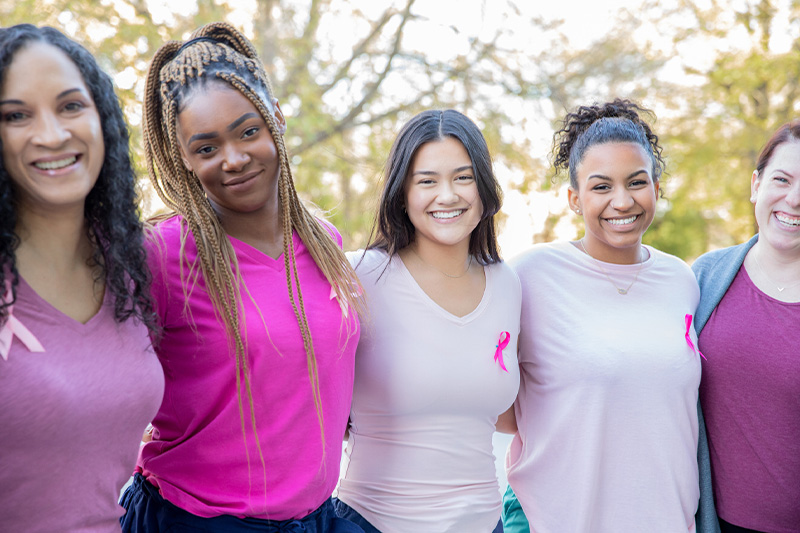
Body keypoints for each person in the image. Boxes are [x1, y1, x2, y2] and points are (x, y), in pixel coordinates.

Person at [118, 22, 364, 532]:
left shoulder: (324, 242)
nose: (234, 159)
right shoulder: (161, 254)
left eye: (249, 131)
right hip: (196, 520)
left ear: (276, 118)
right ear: (182, 157)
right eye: (206, 148)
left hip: (316, 518)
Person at [502, 100, 707, 532]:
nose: (622, 201)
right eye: (601, 187)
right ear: (574, 199)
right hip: (556, 519)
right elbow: (496, 400)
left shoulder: (681, 279)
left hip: (666, 519)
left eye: (636, 182)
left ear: (656, 187)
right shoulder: (531, 276)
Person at [0, 24, 163, 532]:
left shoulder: (128, 268)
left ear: (102, 119)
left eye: (70, 105)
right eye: (16, 115)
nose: (51, 134)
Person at [333, 109, 521, 532]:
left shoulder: (508, 283)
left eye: (463, 177)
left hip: (485, 523)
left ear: (484, 188)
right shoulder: (359, 275)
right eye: (427, 181)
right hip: (371, 522)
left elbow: (509, 411)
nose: (447, 195)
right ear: (402, 193)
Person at [692, 121, 800, 533]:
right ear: (756, 184)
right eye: (782, 179)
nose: (794, 199)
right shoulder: (704, 278)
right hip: (715, 523)